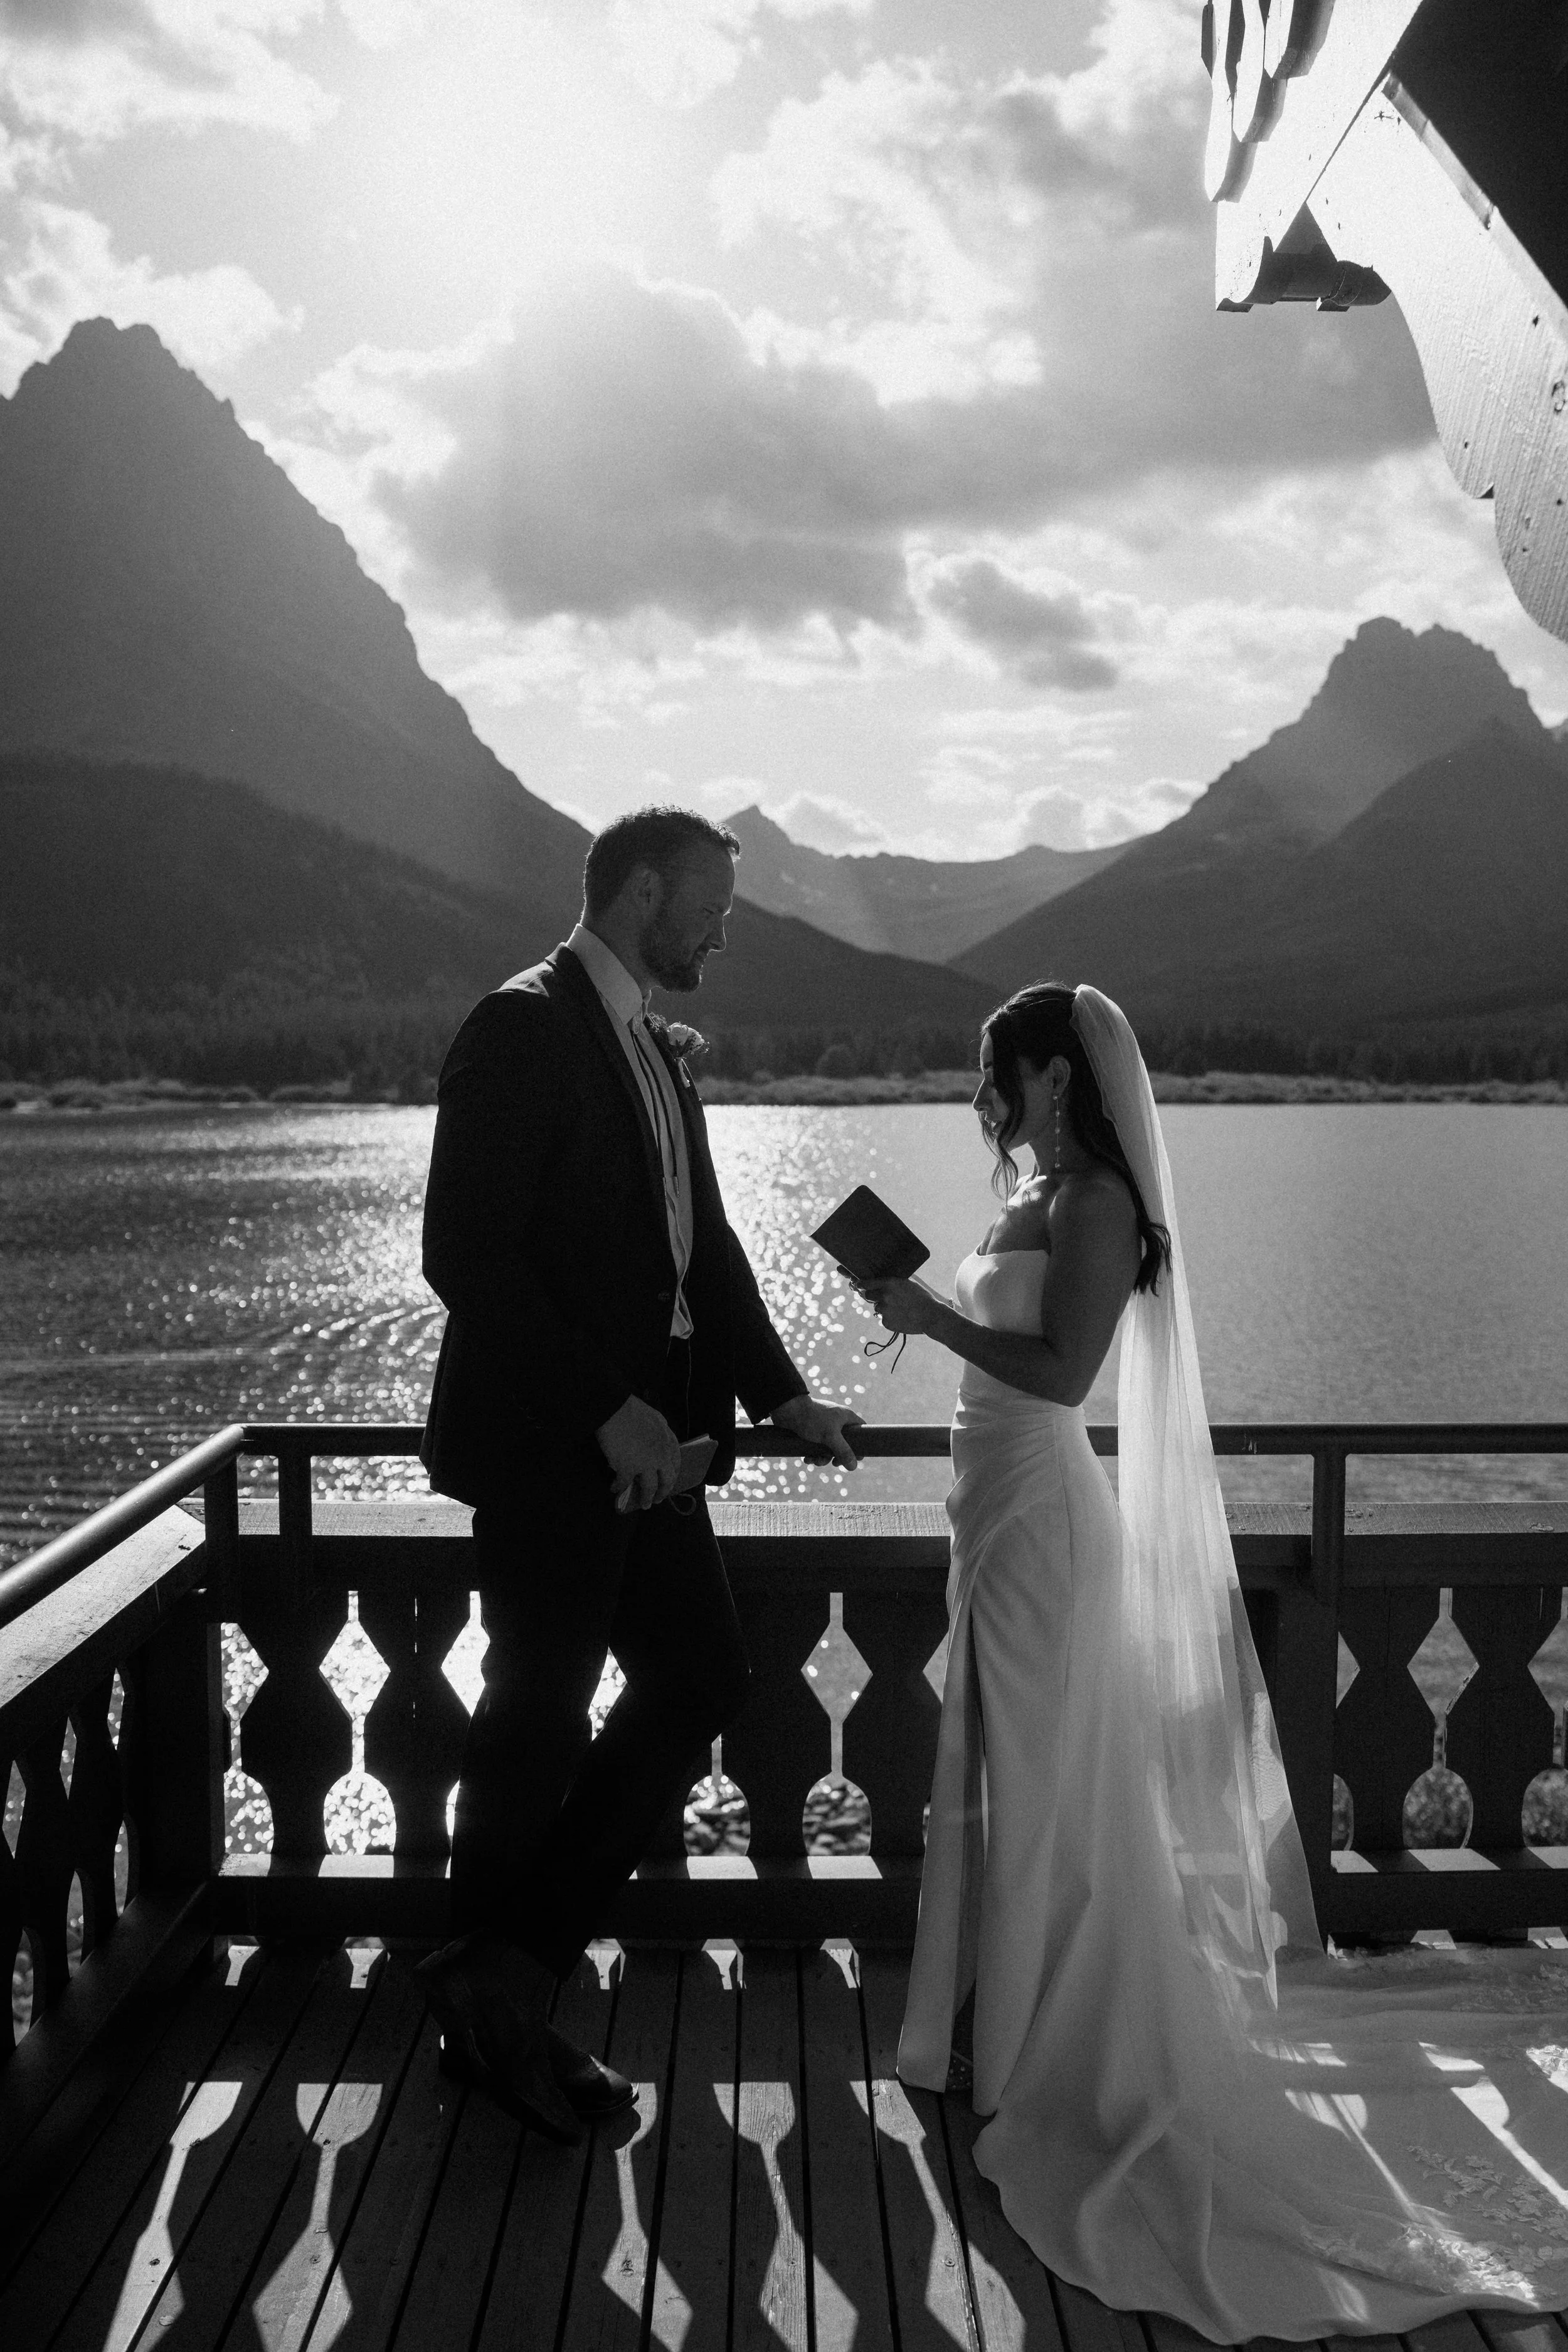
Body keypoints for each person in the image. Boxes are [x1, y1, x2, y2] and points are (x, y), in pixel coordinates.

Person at [861, 981, 1568, 2341]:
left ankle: (1046, 2045)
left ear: (1057, 1075)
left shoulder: (1094, 1204)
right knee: (1003, 1770)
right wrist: (915, 1315)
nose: (986, 1092)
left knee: (1051, 1785)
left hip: (1042, 1511)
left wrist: (932, 1317)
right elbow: (996, 1350)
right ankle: (993, 2020)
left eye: (1001, 1070)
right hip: (984, 1503)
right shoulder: (1030, 1191)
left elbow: (1062, 1373)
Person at [417, 806, 862, 2143]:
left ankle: (500, 1982)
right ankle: (491, 2023)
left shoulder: (656, 1051)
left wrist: (782, 1393)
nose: (722, 935)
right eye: (711, 910)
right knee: (533, 1725)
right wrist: (603, 1409)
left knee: (702, 1674)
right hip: (558, 1452)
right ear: (645, 893)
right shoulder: (520, 1026)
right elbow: (464, 1253)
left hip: (657, 1452)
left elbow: (702, 1249)